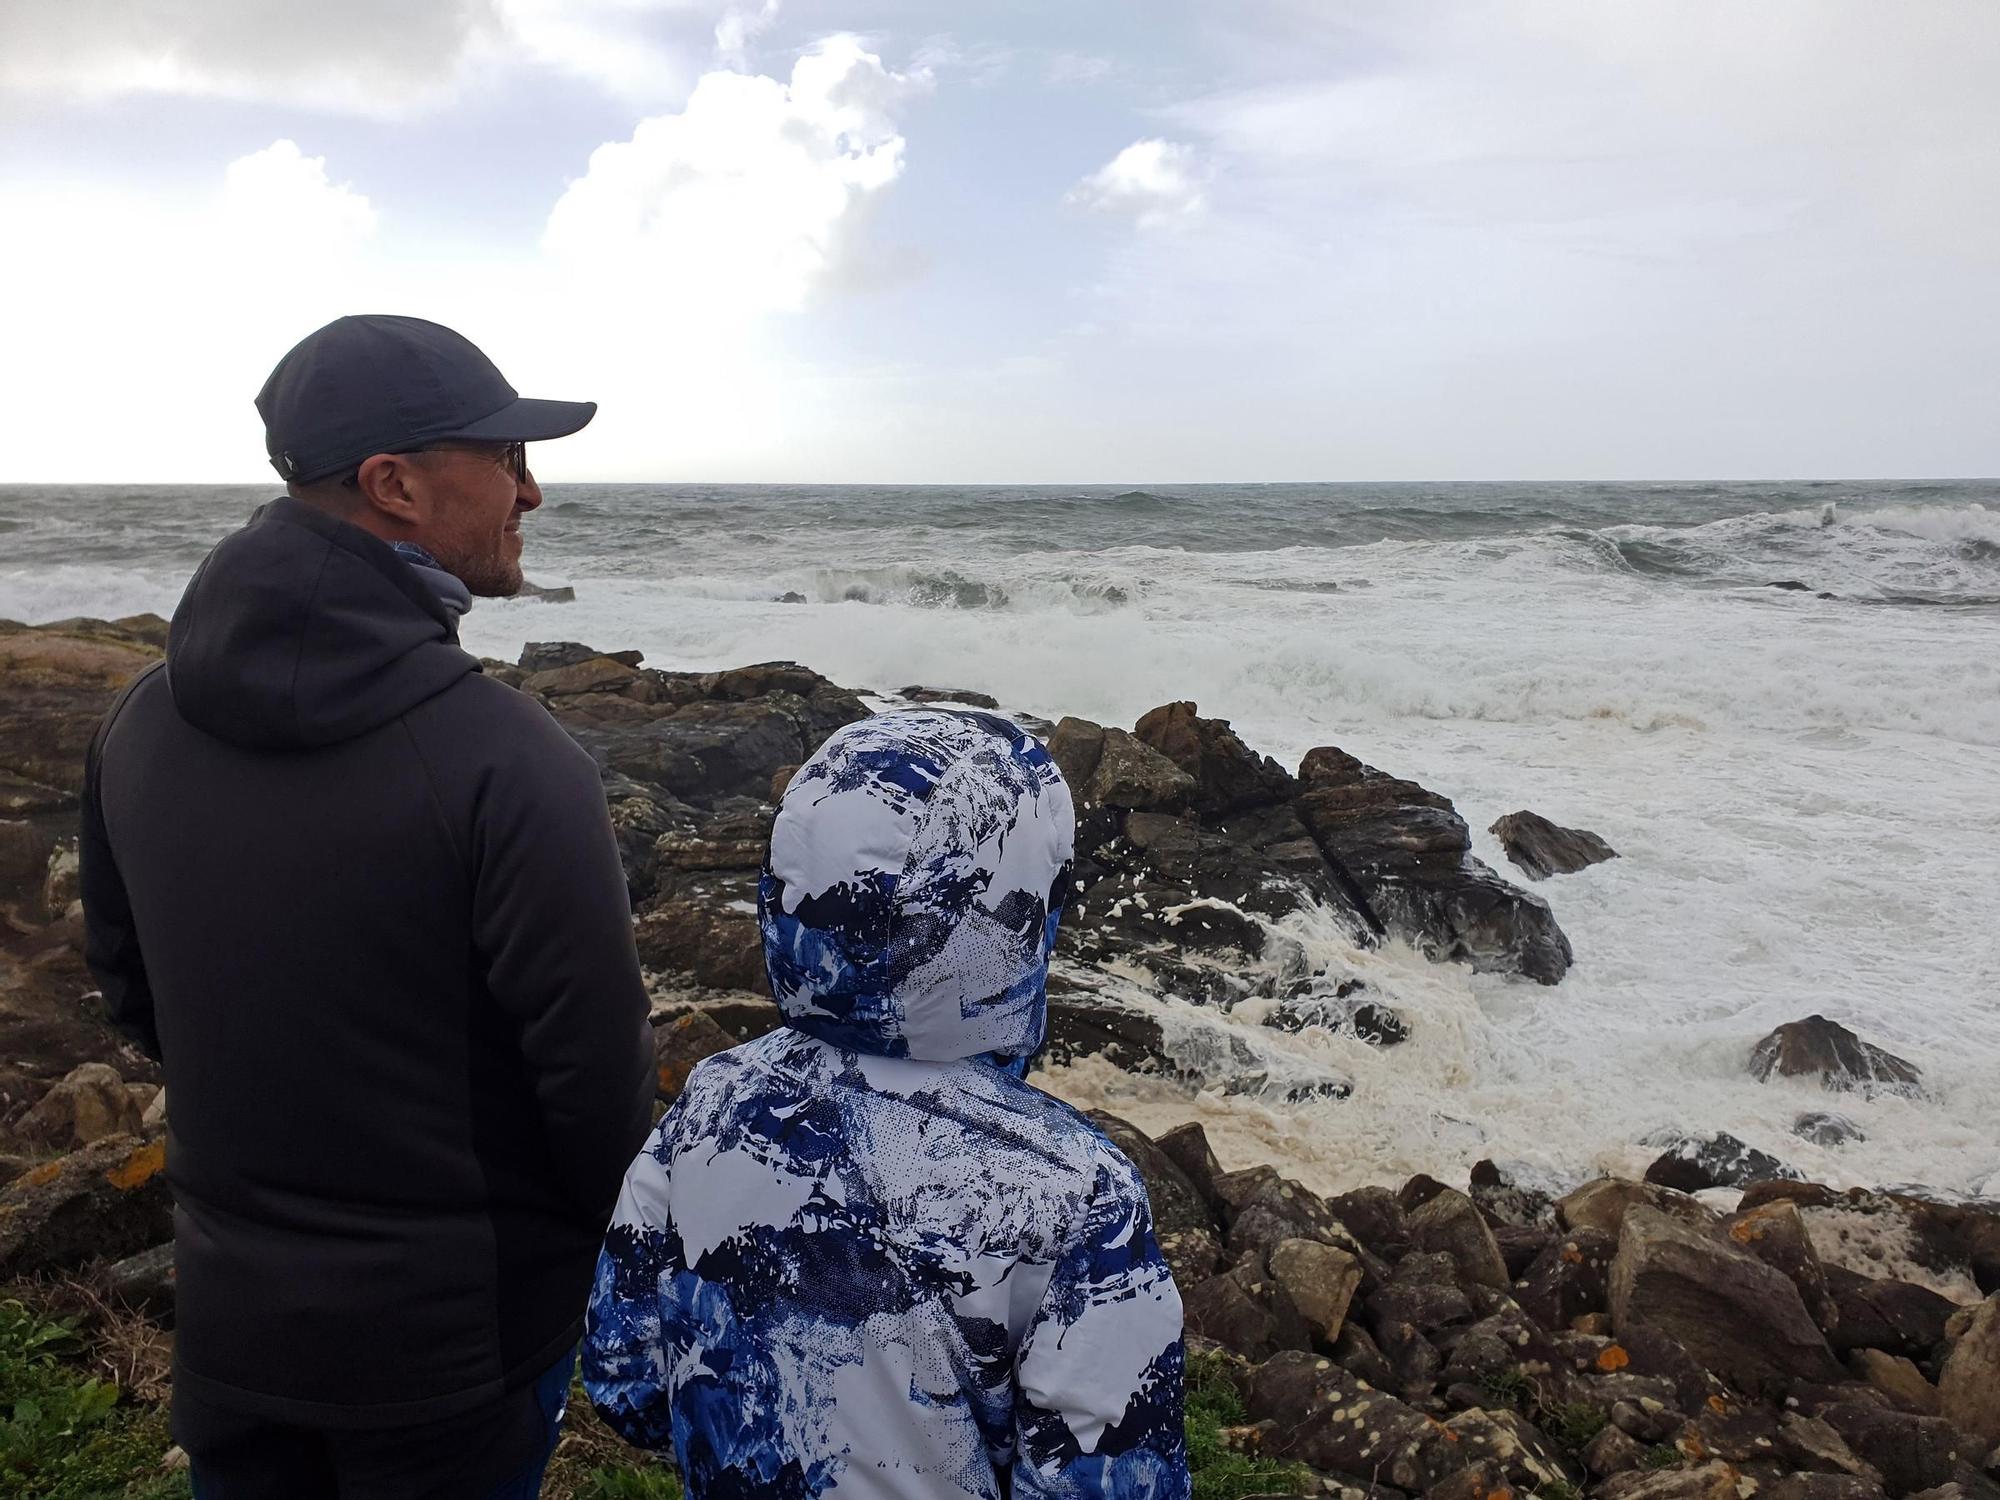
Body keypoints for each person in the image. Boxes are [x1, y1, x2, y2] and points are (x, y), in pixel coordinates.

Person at [78, 314, 657, 1498]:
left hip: (236, 1330)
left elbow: (134, 991)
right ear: (393, 484)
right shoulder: (503, 756)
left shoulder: (140, 719)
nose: (531, 491)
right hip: (452, 1358)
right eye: (503, 458)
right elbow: (596, 1096)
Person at [583, 709, 1190, 1500]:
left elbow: (625, 1380)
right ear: (1022, 910)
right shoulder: (1077, 1194)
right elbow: (1116, 1481)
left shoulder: (716, 1099)